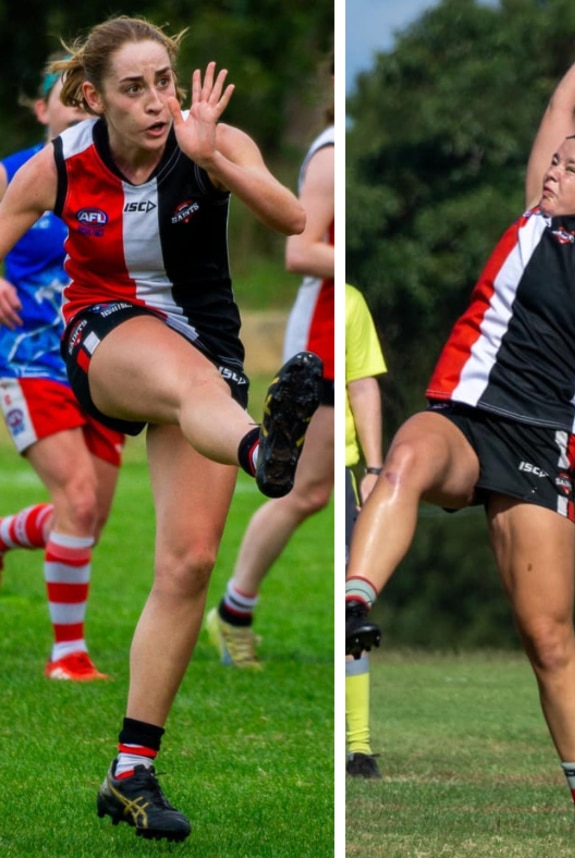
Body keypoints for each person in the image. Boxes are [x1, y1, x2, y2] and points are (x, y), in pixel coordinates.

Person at [344, 2, 575, 855]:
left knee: (549, 640)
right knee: (408, 451)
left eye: (570, 169)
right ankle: (355, 603)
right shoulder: (533, 218)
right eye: (553, 164)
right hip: (463, 418)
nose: (553, 171)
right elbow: (567, 99)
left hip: (539, 445)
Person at [0, 16, 322, 841]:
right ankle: (263, 448)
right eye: (134, 87)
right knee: (187, 380)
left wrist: (215, 156)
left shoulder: (207, 140)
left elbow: (292, 221)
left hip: (208, 350)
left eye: (165, 83)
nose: (156, 102)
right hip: (105, 332)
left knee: (189, 563)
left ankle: (130, 771)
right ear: (91, 97)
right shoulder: (61, 165)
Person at [206, 74, 336, 670]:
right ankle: (233, 613)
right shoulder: (334, 151)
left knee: (321, 489)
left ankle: (237, 611)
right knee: (304, 487)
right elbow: (300, 250)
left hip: (354, 332)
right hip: (323, 339)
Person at [0, 57, 123, 681]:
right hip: (26, 360)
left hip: (102, 366)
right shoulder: (9, 173)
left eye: (86, 100)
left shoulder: (115, 177)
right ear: (43, 109)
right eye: (64, 100)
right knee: (76, 499)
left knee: (89, 519)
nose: (76, 109)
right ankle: (67, 656)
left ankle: (3, 534)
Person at [342, 283, 388, 780]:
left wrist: (375, 468)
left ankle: (359, 747)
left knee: (352, 612)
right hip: (300, 464)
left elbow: (363, 382)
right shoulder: (319, 295)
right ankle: (235, 610)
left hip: (343, 468)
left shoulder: (352, 299)